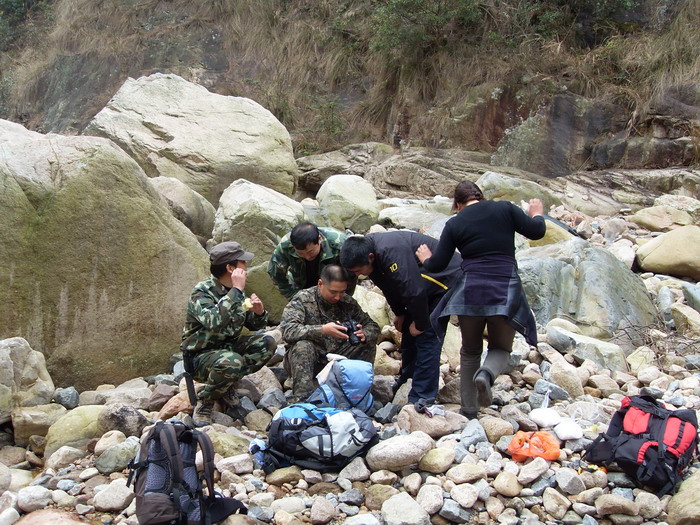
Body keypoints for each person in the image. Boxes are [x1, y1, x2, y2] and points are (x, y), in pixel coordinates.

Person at [415, 181, 546, 419]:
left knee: (470, 351)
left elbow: (438, 265)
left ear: (457, 204)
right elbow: (537, 232)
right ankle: (486, 375)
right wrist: (536, 214)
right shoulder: (505, 209)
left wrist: (425, 258)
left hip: (470, 292)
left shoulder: (455, 223)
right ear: (481, 198)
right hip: (504, 289)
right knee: (501, 348)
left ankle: (469, 411)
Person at [339, 232, 461, 407]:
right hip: (422, 284)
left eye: (358, 271)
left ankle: (422, 396)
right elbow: (388, 285)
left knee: (428, 335)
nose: (357, 275)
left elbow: (413, 290)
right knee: (407, 332)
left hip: (444, 280)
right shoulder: (369, 254)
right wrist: (400, 313)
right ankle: (408, 378)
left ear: (370, 258)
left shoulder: (390, 251)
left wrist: (420, 323)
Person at [181, 241, 276, 425]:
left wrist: (259, 312)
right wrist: (236, 290)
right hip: (200, 356)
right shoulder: (202, 292)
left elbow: (254, 325)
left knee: (267, 343)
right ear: (231, 268)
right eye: (243, 264)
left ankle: (224, 384)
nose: (246, 268)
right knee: (231, 361)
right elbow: (214, 322)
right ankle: (206, 399)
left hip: (227, 348)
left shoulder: (236, 291)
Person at [279, 264, 379, 401]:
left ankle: (358, 392)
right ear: (320, 284)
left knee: (366, 342)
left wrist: (365, 333)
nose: (338, 297)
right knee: (303, 346)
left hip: (338, 357)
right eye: (333, 292)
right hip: (307, 360)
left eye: (342, 292)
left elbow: (372, 325)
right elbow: (288, 330)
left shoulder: (347, 302)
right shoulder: (303, 299)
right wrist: (323, 330)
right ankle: (302, 400)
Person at [268, 222, 355, 300]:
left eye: (311, 252)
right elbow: (275, 274)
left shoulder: (340, 243)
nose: (307, 257)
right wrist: (292, 296)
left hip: (333, 286)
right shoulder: (285, 245)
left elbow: (352, 275)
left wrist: (342, 298)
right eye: (300, 253)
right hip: (301, 283)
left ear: (319, 239)